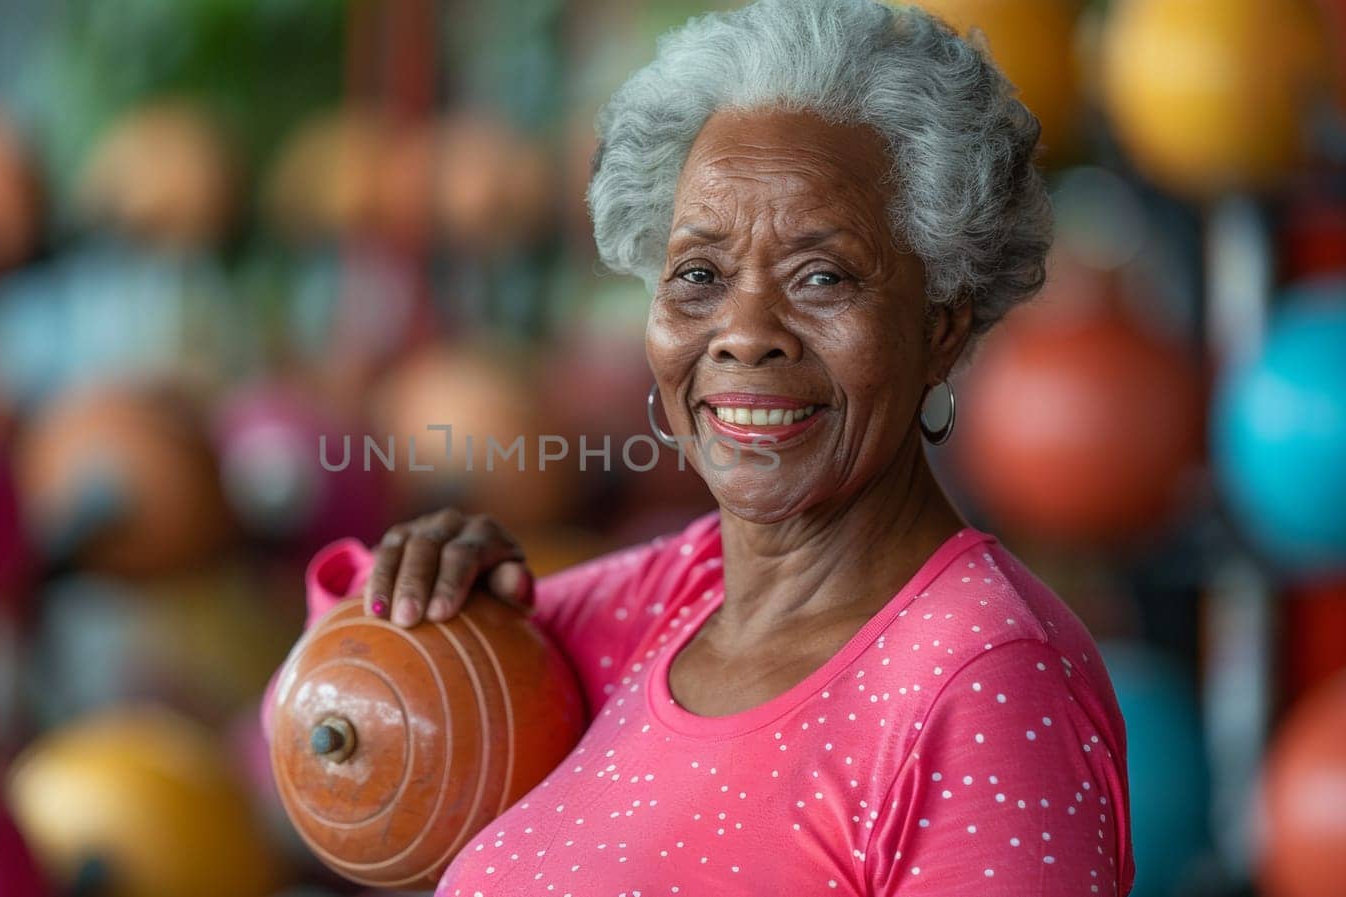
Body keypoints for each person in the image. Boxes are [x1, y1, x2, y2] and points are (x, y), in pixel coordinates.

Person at [296, 0, 1134, 892]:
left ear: (939, 325)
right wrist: (415, 585)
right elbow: (330, 723)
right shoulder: (668, 599)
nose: (744, 333)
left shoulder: (988, 682)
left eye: (822, 276)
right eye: (699, 274)